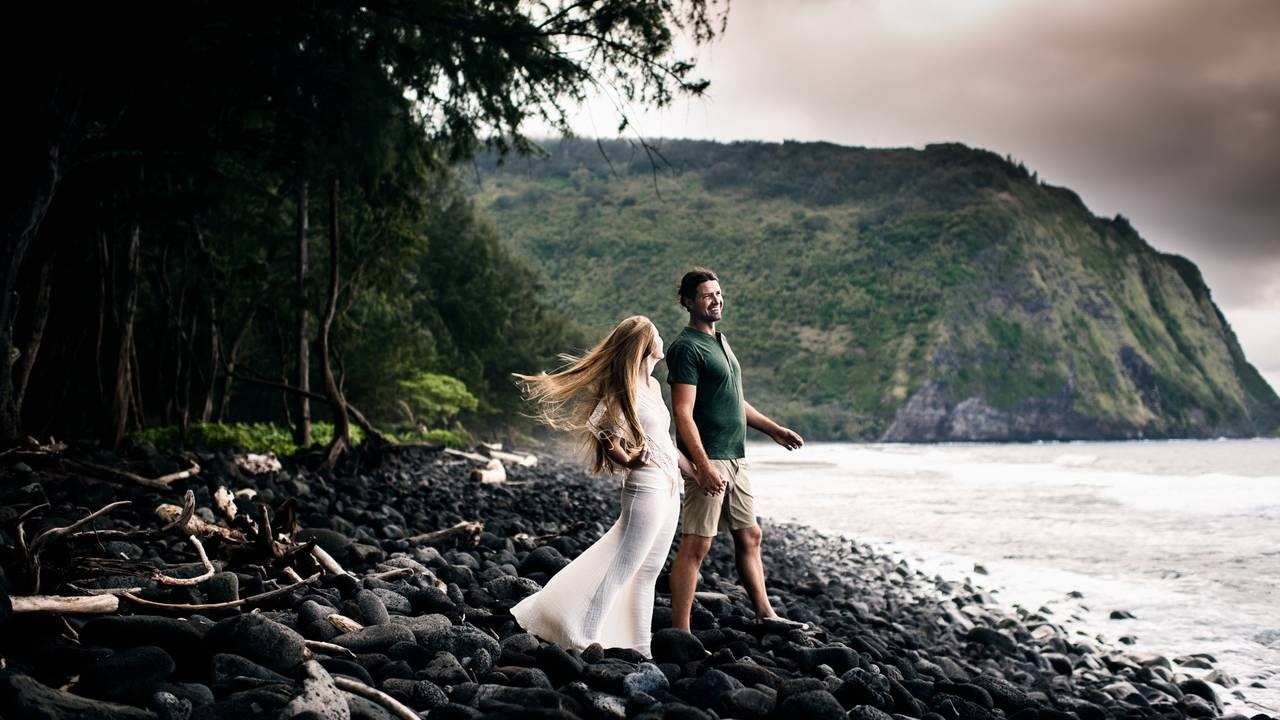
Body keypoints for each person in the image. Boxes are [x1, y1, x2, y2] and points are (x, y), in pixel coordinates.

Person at [509, 315, 694, 657]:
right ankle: (585, 637)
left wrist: (695, 470)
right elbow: (611, 441)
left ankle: (641, 648)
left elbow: (663, 442)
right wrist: (630, 461)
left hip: (669, 487)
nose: (661, 339)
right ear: (644, 345)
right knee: (623, 567)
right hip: (646, 487)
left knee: (648, 571)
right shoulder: (624, 390)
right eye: (656, 334)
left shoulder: (654, 387)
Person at [665, 267, 807, 632]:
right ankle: (680, 631)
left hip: (735, 456)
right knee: (697, 544)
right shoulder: (686, 348)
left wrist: (773, 429)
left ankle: (765, 614)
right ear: (688, 302)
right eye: (707, 295)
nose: (716, 300)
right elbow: (682, 413)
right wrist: (702, 465)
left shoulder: (720, 341)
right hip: (710, 458)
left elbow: (733, 400)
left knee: (750, 535)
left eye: (718, 293)